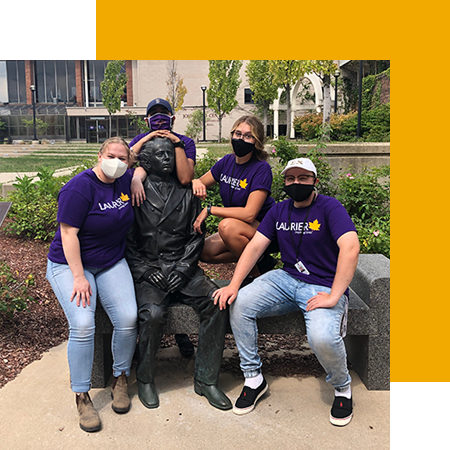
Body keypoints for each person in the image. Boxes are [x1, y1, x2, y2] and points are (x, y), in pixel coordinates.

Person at [212, 157, 360, 426]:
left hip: (323, 285)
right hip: (286, 278)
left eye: (303, 178)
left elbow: (350, 247)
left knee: (323, 337)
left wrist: (335, 295)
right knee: (240, 303)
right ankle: (254, 378)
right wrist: (234, 285)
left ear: (315, 181)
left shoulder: (330, 207)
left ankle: (342, 387)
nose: (296, 183)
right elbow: (255, 247)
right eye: (290, 179)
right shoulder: (279, 210)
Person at [125, 137, 232, 411]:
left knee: (216, 303)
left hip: (183, 267)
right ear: (146, 162)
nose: (167, 159)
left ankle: (206, 380)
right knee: (153, 314)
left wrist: (184, 270)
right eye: (160, 155)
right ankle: (146, 378)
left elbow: (196, 238)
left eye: (170, 155)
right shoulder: (134, 194)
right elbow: (128, 243)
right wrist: (147, 271)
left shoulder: (188, 193)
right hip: (151, 269)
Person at [46, 137, 139, 433]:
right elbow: (68, 234)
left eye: (123, 158)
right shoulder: (79, 188)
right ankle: (82, 395)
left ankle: (120, 378)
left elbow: (139, 157)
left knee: (128, 318)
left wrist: (138, 177)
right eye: (111, 155)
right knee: (84, 324)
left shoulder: (125, 180)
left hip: (111, 261)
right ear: (99, 157)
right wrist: (78, 276)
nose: (116, 161)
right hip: (70, 264)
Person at [130, 97, 195, 357]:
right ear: (146, 120)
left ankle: (182, 334)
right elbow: (131, 160)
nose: (159, 120)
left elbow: (184, 177)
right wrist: (137, 175)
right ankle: (140, 345)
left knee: (176, 265)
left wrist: (175, 143)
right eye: (153, 116)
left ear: (172, 117)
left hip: (177, 205)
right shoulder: (140, 138)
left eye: (163, 115)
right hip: (149, 204)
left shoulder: (185, 141)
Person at [192, 115, 276, 280]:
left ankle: (256, 275)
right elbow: (201, 183)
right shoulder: (227, 162)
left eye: (248, 136)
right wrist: (195, 181)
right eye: (238, 134)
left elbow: (250, 214)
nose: (241, 139)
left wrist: (210, 210)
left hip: (265, 229)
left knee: (226, 227)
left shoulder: (261, 169)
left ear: (256, 141)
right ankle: (261, 260)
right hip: (241, 229)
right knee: (205, 252)